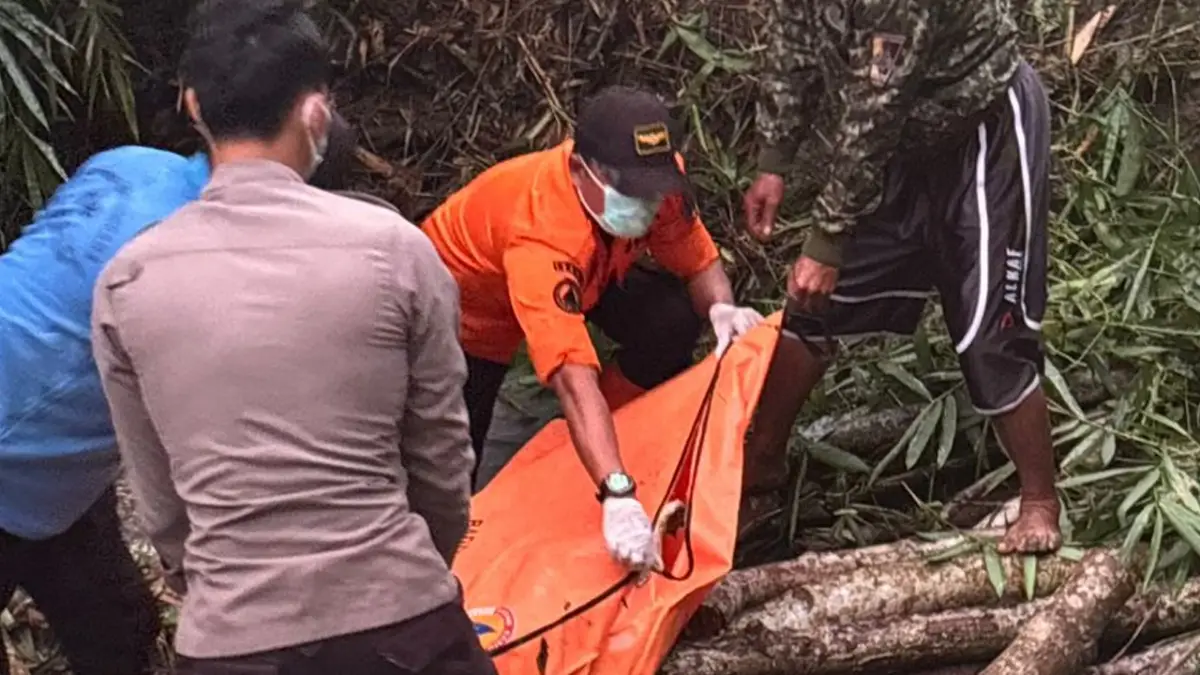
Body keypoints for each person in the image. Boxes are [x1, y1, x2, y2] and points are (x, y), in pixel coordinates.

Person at [91, 1, 495, 673]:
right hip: (401, 621)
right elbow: (443, 463)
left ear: (192, 106)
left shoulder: (127, 282)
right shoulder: (397, 250)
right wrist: (409, 574)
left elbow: (160, 499)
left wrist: (228, 593)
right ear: (317, 113)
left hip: (231, 637)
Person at [0, 92, 357, 675]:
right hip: (17, 449)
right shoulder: (206, 269)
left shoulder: (130, 162)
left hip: (56, 471)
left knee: (118, 627)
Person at [741, 0, 1061, 554]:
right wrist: (774, 158)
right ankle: (760, 467)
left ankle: (1041, 501)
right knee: (813, 301)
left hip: (982, 127)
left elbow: (876, 106)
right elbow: (792, 40)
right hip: (905, 139)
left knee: (989, 330)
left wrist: (828, 237)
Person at [421, 84, 765, 572]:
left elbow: (695, 258)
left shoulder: (654, 182)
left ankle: (594, 439)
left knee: (670, 321)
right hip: (467, 316)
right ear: (582, 172)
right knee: (455, 463)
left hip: (595, 274)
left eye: (654, 189)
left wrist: (723, 310)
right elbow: (572, 379)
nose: (647, 205)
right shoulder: (541, 232)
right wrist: (619, 494)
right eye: (633, 192)